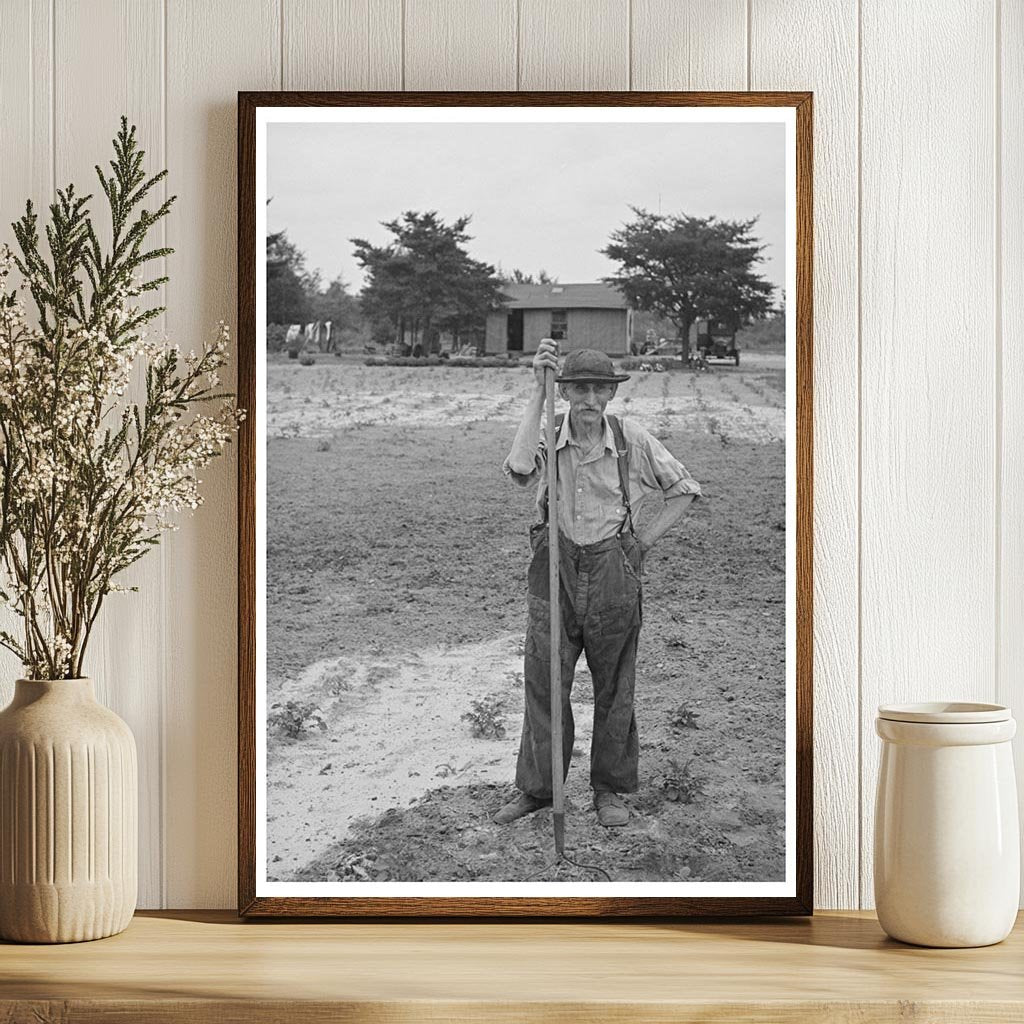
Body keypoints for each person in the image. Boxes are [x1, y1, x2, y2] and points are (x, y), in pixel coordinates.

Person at [494, 339, 702, 828]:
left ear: (610, 395)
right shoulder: (548, 431)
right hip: (554, 571)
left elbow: (684, 490)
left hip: (613, 572)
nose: (589, 400)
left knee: (615, 687)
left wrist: (641, 543)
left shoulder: (629, 438)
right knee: (544, 683)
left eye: (598, 390)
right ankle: (540, 789)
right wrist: (536, 395)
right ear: (565, 393)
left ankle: (609, 789)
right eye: (579, 389)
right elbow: (521, 469)